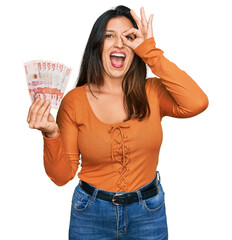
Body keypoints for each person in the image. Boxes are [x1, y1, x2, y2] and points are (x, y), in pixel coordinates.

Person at [27, 5, 208, 240]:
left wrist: (151, 52)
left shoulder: (152, 91)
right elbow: (61, 177)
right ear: (97, 46)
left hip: (148, 213)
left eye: (128, 37)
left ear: (136, 49)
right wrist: (51, 134)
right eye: (109, 36)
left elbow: (197, 102)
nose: (120, 44)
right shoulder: (74, 101)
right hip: (90, 214)